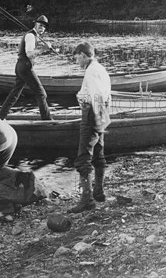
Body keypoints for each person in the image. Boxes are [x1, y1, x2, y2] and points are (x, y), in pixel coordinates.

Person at [69, 42, 112, 213]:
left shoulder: (91, 71)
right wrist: (103, 118)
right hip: (101, 112)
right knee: (99, 153)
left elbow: (97, 94)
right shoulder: (99, 68)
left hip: (92, 114)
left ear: (84, 55)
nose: (76, 60)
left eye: (77, 56)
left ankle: (87, 200)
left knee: (83, 157)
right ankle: (99, 193)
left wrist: (95, 116)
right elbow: (106, 93)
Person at [0, 15, 53, 120]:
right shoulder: (31, 36)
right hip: (25, 68)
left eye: (44, 27)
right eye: (40, 25)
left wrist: (43, 47)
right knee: (41, 94)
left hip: (20, 66)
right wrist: (44, 48)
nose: (42, 28)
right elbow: (29, 54)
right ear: (35, 24)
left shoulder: (33, 35)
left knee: (15, 93)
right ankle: (47, 121)